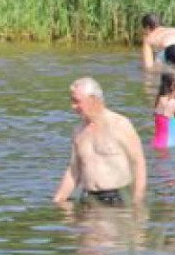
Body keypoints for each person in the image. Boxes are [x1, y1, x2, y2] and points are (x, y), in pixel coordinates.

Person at [53, 77, 147, 207]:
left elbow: (138, 163)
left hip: (117, 199)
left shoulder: (120, 124)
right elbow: (74, 170)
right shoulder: (79, 131)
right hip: (89, 199)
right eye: (72, 101)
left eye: (77, 102)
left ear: (93, 99)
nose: (73, 107)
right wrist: (58, 199)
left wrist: (137, 203)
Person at [153, 72, 175, 149]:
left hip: (156, 142)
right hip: (171, 142)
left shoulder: (159, 99)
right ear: (172, 86)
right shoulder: (172, 103)